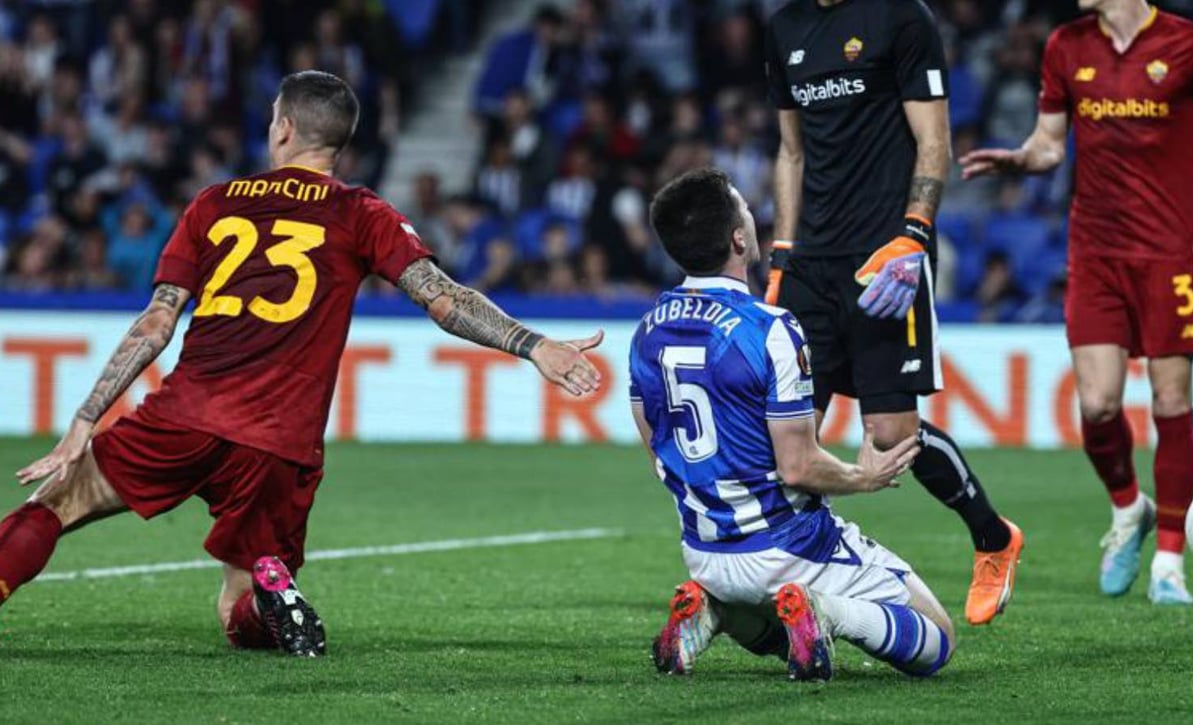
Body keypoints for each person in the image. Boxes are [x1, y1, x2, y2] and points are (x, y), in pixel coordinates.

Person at [5, 71, 604, 656]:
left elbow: (157, 323)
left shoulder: (215, 203)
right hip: (278, 442)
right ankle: (268, 593)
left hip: (187, 413)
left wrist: (86, 418)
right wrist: (533, 345)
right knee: (235, 607)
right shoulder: (362, 213)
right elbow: (444, 300)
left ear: (283, 128)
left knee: (57, 503)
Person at [960, 0, 1193, 605]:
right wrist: (1020, 159)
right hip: (1096, 252)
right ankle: (1129, 508)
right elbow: (1051, 144)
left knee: (1170, 398)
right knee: (1100, 404)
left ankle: (1168, 563)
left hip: (1170, 253)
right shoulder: (1067, 45)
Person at [633, 168, 951, 682]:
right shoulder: (772, 329)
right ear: (740, 238)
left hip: (704, 552)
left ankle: (715, 609)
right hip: (790, 548)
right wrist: (863, 478)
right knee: (937, 639)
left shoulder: (648, 330)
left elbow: (658, 452)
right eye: (743, 208)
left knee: (760, 610)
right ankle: (825, 610)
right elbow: (799, 468)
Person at [764, 0, 1022, 625]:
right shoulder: (784, 28)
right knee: (785, 446)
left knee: (890, 436)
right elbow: (791, 152)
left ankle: (993, 538)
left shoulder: (903, 17)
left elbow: (934, 140)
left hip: (886, 258)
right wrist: (779, 259)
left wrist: (914, 235)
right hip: (810, 266)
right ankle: (797, 583)